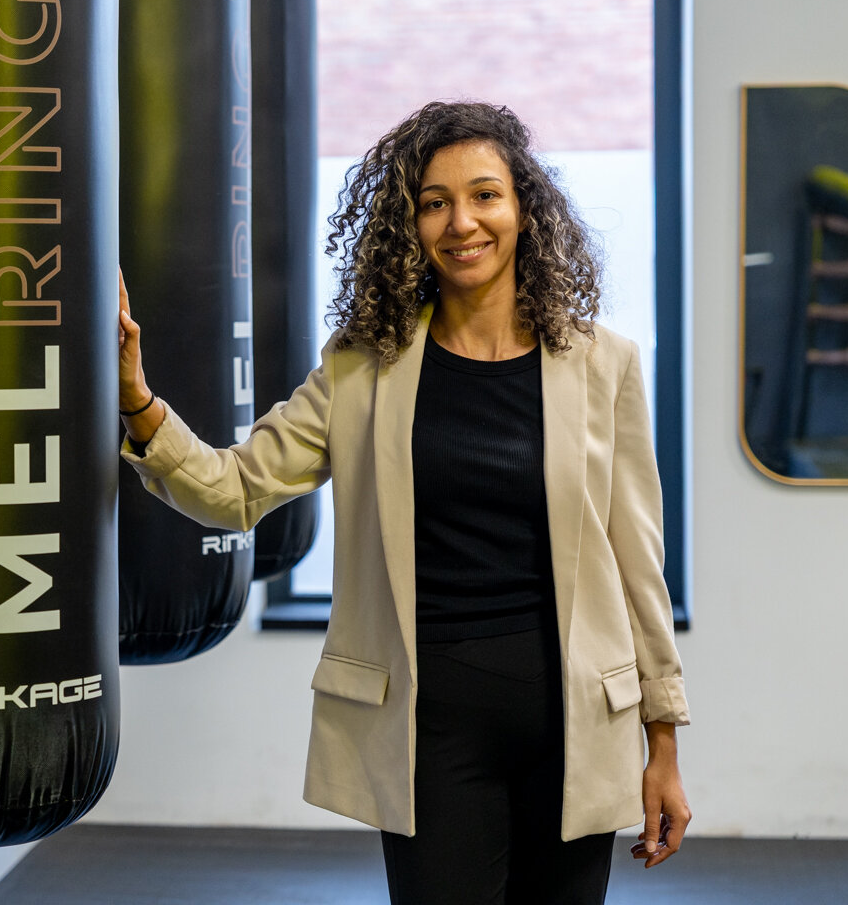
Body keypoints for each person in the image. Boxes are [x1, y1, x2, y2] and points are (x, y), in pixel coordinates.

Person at [116, 101, 691, 904]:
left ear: (525, 208)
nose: (462, 223)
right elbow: (235, 490)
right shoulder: (363, 367)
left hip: (575, 724)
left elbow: (638, 563)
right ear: (408, 225)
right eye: (434, 202)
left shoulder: (605, 364)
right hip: (430, 728)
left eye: (485, 195)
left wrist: (663, 744)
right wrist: (138, 400)